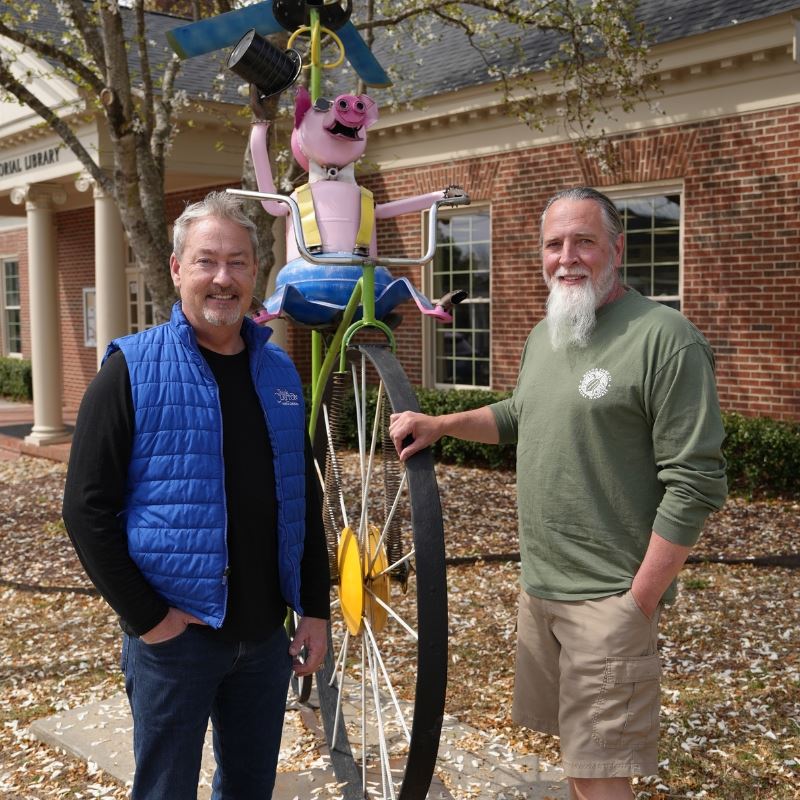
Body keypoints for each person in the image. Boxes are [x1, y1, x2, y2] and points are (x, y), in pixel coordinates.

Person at [389, 187, 727, 800]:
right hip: (542, 590)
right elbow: (521, 413)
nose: (566, 257)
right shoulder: (548, 333)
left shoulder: (666, 339)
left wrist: (639, 602)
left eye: (584, 241)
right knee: (580, 763)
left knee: (600, 776)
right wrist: (442, 424)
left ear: (616, 250)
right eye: (554, 244)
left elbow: (696, 482)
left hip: (610, 598)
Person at [62, 191, 330, 800]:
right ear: (177, 268)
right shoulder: (130, 369)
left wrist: (314, 608)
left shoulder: (280, 373)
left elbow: (302, 501)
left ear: (255, 273)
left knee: (249, 788)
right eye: (207, 261)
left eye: (238, 263)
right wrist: (149, 620)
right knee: (165, 790)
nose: (223, 278)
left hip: (264, 639)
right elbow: (85, 509)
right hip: (175, 641)